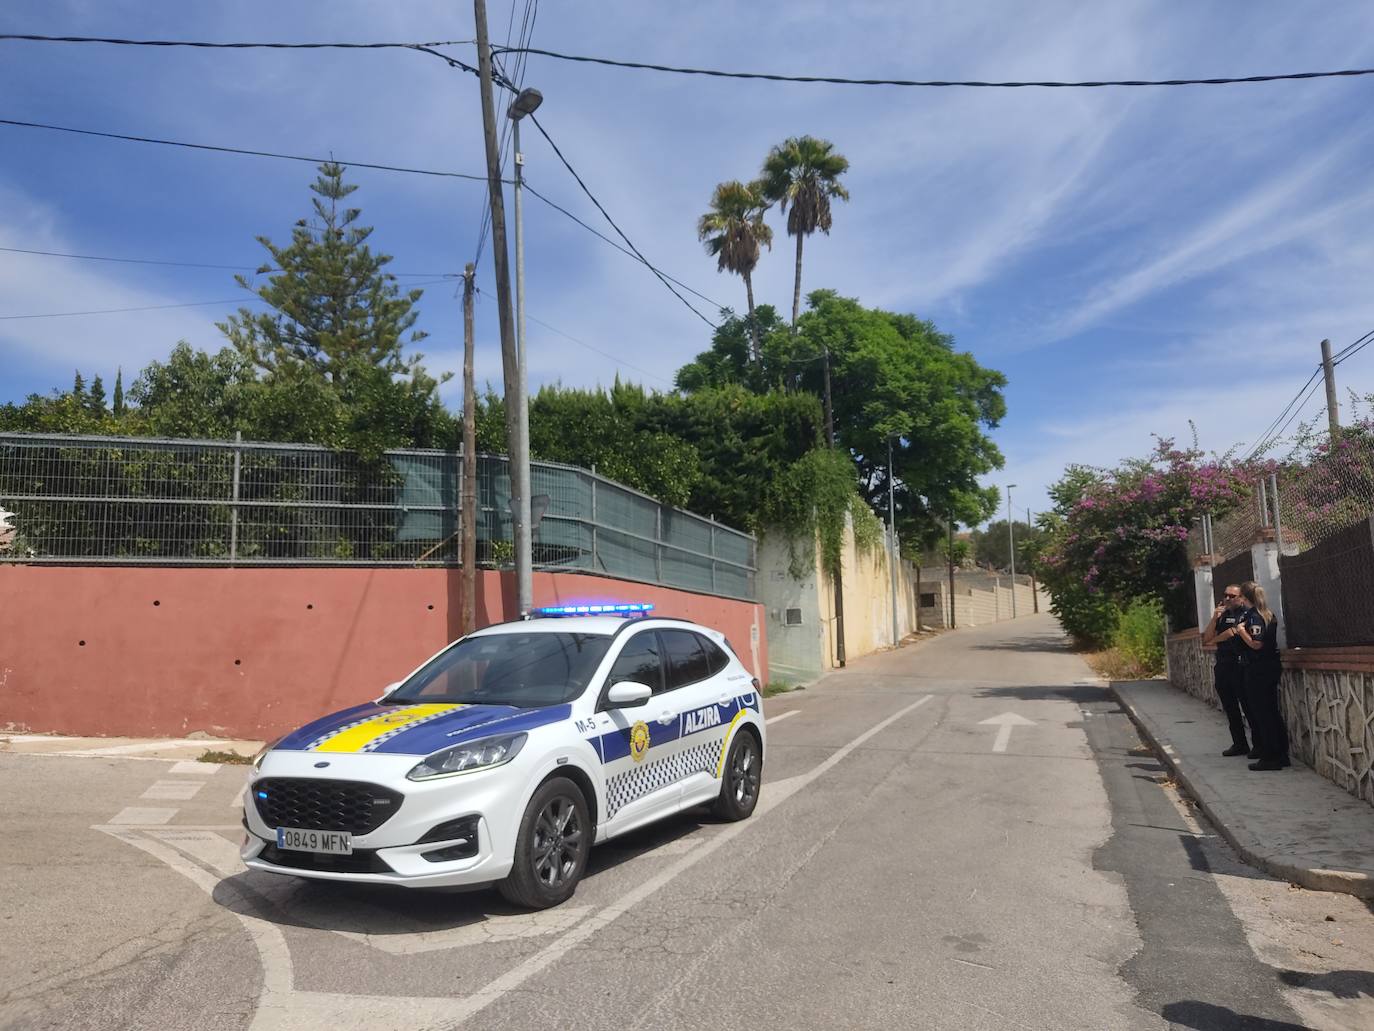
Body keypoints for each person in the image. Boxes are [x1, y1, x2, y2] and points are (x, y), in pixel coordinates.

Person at [1234, 580, 1289, 772]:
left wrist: (1241, 632)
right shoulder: (1267, 613)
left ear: (1244, 597)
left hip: (1258, 669)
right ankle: (1281, 754)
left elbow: (1256, 644)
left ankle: (1270, 756)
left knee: (1262, 714)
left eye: (1239, 596)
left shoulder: (1254, 616)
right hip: (1269, 667)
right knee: (1271, 712)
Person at [1201, 583, 1251, 757]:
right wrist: (1214, 618)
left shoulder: (1246, 613)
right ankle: (1239, 743)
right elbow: (1206, 639)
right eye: (1225, 595)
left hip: (1240, 665)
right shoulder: (1222, 615)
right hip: (1223, 665)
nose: (1228, 599)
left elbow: (1233, 633)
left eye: (1232, 596)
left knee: (1248, 706)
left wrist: (1217, 639)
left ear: (1241, 598)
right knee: (1230, 708)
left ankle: (1259, 745)